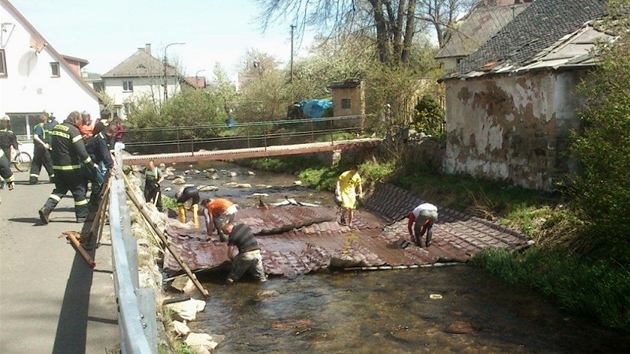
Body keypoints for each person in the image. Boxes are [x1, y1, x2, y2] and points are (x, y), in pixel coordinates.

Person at [39, 111, 98, 224]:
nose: (80, 124)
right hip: (71, 167)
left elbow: (52, 146)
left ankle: (46, 209)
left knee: (60, 190)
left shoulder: (56, 129)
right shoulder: (73, 131)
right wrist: (91, 164)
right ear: (75, 119)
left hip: (57, 166)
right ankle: (82, 216)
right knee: (79, 190)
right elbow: (82, 152)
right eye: (80, 121)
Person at [85, 124, 116, 205]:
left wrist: (112, 159)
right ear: (113, 132)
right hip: (88, 162)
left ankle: (94, 202)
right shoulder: (101, 139)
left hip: (93, 161)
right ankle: (94, 203)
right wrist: (111, 165)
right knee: (99, 181)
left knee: (99, 181)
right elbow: (105, 154)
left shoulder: (103, 136)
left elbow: (107, 151)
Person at [29, 113, 55, 184]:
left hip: (38, 148)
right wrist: (44, 144)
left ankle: (33, 179)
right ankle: (53, 178)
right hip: (42, 149)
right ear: (45, 120)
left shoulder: (40, 127)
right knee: (48, 162)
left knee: (36, 163)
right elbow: (35, 136)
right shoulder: (39, 127)